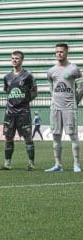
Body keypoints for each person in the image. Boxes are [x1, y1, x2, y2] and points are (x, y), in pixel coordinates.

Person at [45, 43, 83, 172]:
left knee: (73, 135)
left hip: (69, 107)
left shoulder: (73, 68)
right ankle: (58, 165)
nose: (59, 54)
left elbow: (81, 86)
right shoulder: (51, 71)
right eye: (57, 52)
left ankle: (76, 164)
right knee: (56, 136)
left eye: (61, 51)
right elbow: (51, 87)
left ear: (67, 52)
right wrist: (55, 98)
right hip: (55, 108)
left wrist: (75, 101)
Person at [0, 51, 37, 171]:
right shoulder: (7, 77)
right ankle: (7, 163)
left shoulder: (28, 76)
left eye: (17, 58)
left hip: (23, 112)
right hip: (10, 112)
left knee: (28, 137)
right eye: (12, 58)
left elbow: (34, 92)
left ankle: (31, 163)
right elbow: (8, 92)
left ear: (22, 60)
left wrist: (23, 101)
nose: (14, 60)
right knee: (8, 137)